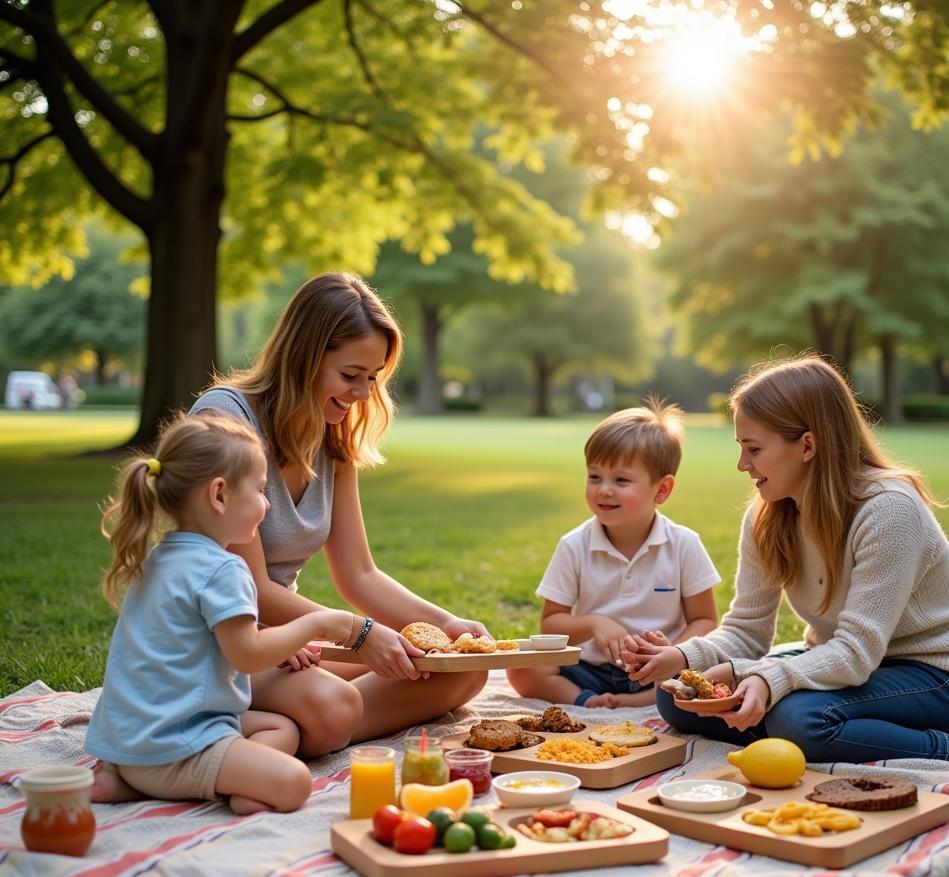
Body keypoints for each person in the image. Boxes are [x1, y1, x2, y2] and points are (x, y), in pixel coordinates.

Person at [624, 356, 949, 764]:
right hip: (846, 667)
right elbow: (746, 631)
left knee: (798, 720)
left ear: (808, 445)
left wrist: (763, 677)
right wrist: (683, 658)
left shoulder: (889, 511)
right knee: (679, 695)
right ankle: (817, 732)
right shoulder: (767, 515)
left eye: (754, 449)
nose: (743, 465)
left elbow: (855, 651)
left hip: (942, 680)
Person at [189, 272, 488, 756]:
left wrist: (449, 625)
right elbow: (252, 589)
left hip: (292, 646)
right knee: (334, 706)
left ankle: (280, 723)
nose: (363, 394)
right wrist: (360, 633)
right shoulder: (226, 419)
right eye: (351, 375)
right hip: (224, 639)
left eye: (372, 378)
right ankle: (260, 721)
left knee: (460, 669)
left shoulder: (333, 433)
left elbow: (360, 573)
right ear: (304, 357)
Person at [87, 411, 361, 814]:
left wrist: (274, 644)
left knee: (280, 728)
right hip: (175, 745)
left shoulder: (160, 558)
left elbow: (201, 639)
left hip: (126, 741)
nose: (267, 505)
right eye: (261, 491)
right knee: (295, 781)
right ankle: (212, 784)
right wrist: (318, 623)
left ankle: (133, 783)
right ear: (219, 495)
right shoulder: (223, 568)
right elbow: (246, 654)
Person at [507, 398, 720, 708]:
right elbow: (551, 624)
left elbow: (704, 620)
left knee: (713, 668)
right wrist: (595, 623)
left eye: (621, 480)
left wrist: (672, 651)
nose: (604, 489)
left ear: (661, 490)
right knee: (522, 666)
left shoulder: (684, 544)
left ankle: (644, 700)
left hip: (659, 671)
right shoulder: (574, 545)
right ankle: (590, 701)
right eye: (595, 476)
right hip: (590, 669)